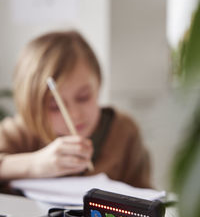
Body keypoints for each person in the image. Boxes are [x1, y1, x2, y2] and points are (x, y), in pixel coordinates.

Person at [0, 30, 151, 188]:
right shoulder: (21, 131)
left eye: (83, 97)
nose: (74, 115)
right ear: (32, 106)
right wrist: (33, 165)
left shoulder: (124, 132)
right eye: (55, 106)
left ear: (98, 85)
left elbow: (146, 195)